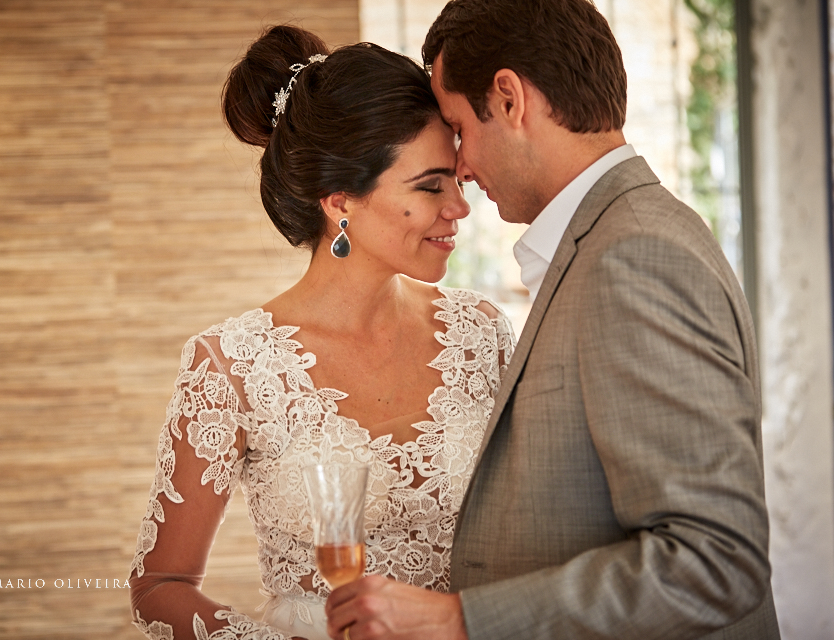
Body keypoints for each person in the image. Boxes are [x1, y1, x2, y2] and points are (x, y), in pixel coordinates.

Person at [324, 1, 780, 639]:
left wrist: (464, 619)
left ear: (509, 99)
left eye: (458, 125)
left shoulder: (634, 255)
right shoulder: (614, 239)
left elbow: (716, 561)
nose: (459, 164)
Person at [127, 24, 515, 640]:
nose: (459, 207)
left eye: (458, 181)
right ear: (341, 203)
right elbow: (158, 588)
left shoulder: (482, 334)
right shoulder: (232, 365)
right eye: (430, 186)